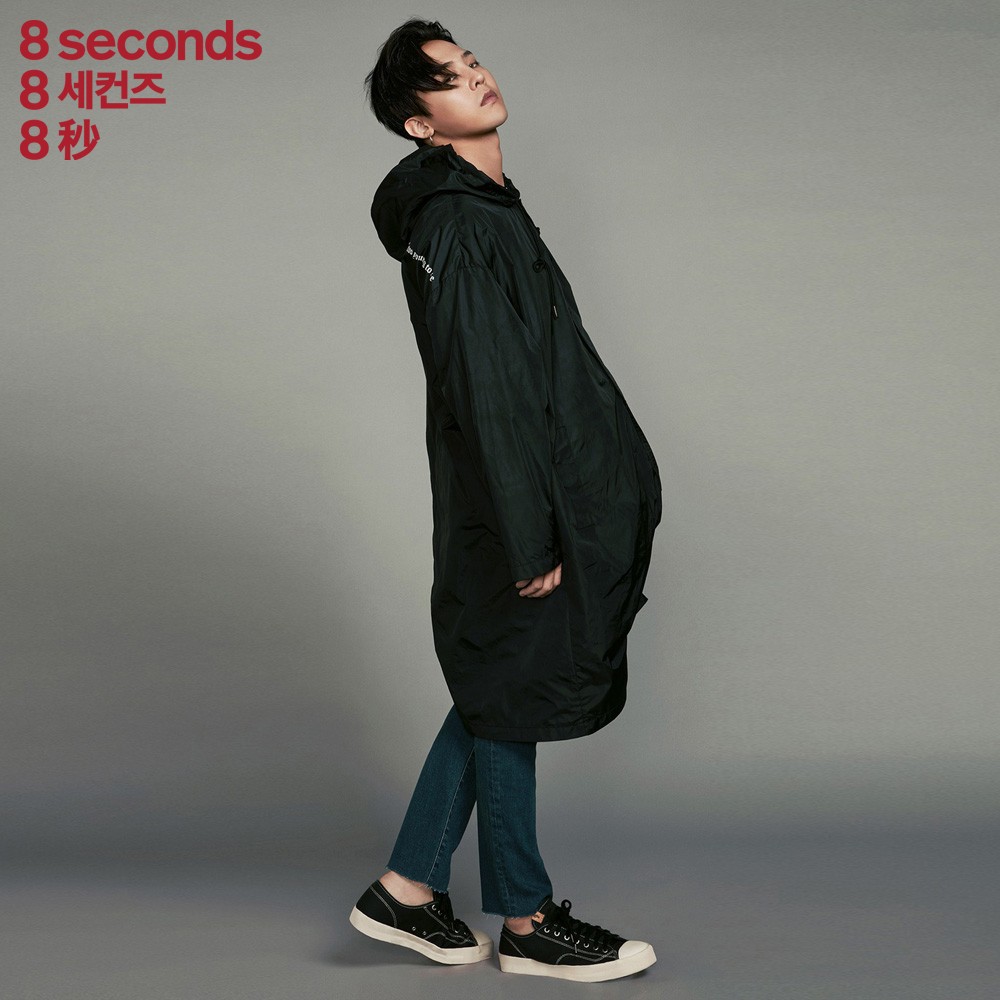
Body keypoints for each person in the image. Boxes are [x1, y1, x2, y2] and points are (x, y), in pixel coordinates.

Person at [350, 18, 662, 983]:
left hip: (535, 493)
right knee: (512, 693)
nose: (475, 78)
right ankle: (525, 921)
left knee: (499, 688)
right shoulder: (457, 223)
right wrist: (531, 536)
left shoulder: (485, 206)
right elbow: (487, 388)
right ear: (420, 124)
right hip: (521, 505)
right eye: (448, 79)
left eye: (471, 62)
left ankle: (405, 889)